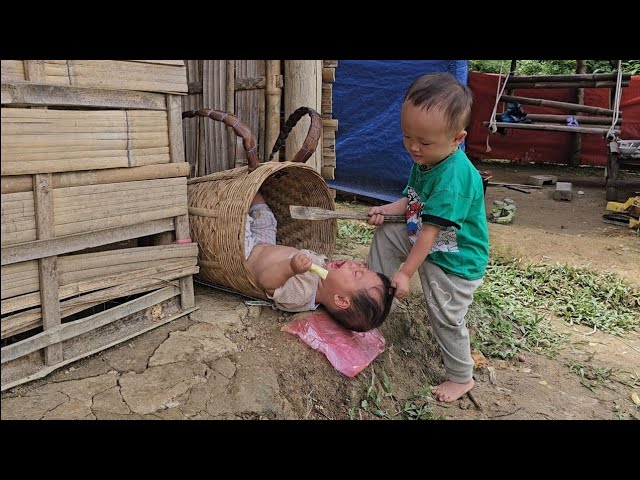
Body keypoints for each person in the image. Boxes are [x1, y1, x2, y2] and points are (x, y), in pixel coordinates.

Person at [366, 72, 489, 402]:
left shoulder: (453, 180)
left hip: (455, 262)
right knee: (388, 232)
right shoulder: (427, 159)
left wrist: (406, 273)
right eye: (407, 136)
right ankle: (373, 293)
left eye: (424, 141)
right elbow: (412, 200)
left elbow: (430, 234)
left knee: (446, 316)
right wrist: (386, 210)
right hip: (431, 244)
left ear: (457, 138)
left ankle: (461, 377)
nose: (414, 147)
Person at [245, 191, 395, 332]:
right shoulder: (324, 270)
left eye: (357, 273)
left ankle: (238, 200)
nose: (354, 264)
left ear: (341, 300)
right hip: (265, 242)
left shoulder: (302, 294)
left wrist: (290, 268)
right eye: (363, 267)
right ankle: (251, 186)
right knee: (266, 217)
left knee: (241, 221)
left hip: (246, 254)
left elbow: (266, 282)